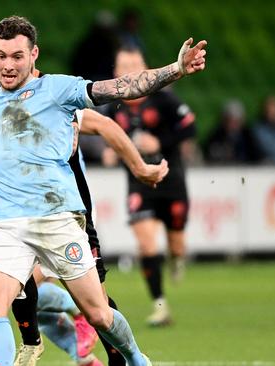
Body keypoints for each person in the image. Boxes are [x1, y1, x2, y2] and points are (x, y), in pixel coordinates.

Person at [0, 16, 206, 366]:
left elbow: (122, 87)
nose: (8, 65)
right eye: (1, 56)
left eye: (17, 56)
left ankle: (136, 358)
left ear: (34, 55)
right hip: (5, 226)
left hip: (58, 219)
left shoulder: (58, 90)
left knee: (99, 314)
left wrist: (175, 69)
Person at [106, 46, 197, 326]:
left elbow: (189, 127)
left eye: (135, 62)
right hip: (139, 184)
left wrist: (161, 143)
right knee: (147, 244)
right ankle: (160, 305)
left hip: (172, 181)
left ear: (146, 68)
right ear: (116, 72)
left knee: (176, 245)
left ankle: (177, 259)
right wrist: (111, 149)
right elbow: (103, 131)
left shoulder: (164, 99)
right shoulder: (113, 105)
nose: (130, 69)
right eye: (124, 64)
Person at [203, 99, 262, 164]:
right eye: (229, 120)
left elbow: (256, 158)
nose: (233, 124)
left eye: (236, 121)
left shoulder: (248, 137)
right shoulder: (216, 136)